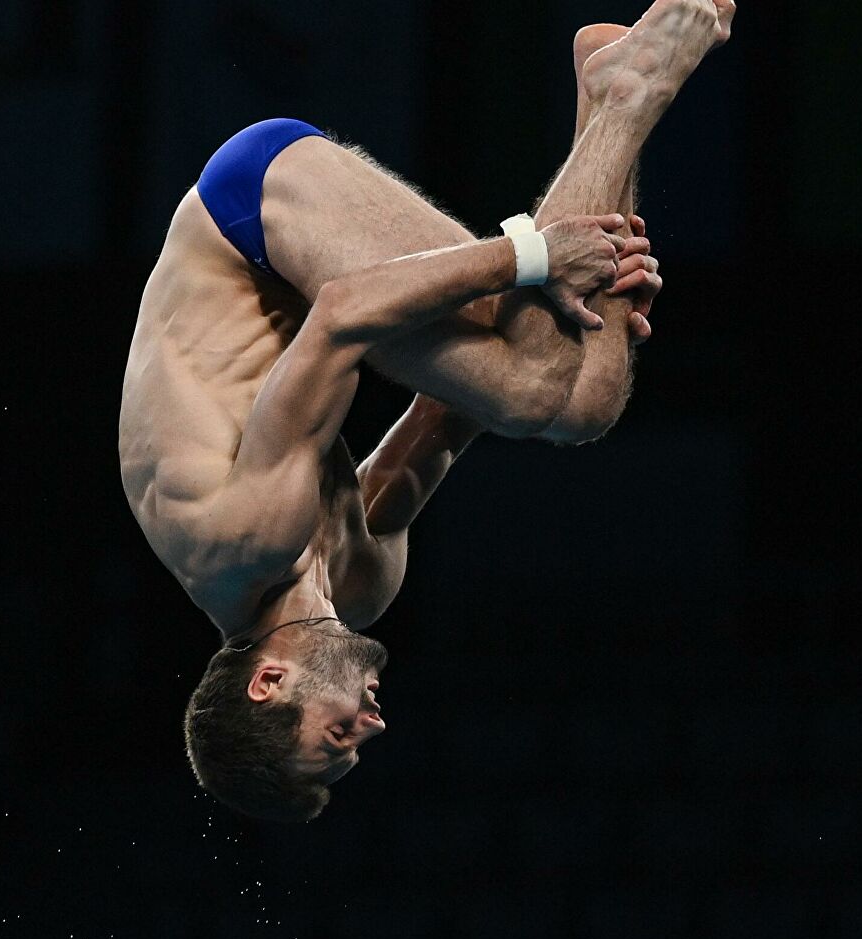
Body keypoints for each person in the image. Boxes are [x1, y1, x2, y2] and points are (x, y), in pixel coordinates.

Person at [117, 1, 736, 821]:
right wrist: (596, 310)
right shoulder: (363, 585)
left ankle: (622, 99)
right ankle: (608, 96)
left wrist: (540, 257)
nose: (372, 724)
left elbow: (341, 314)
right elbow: (451, 415)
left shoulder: (237, 537)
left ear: (270, 683)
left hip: (249, 215)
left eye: (338, 738)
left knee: (544, 387)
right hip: (306, 297)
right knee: (580, 398)